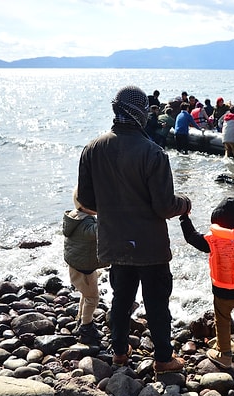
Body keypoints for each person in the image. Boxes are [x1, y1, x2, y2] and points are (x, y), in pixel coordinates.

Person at [77, 84, 191, 372]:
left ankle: (119, 351)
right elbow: (165, 207)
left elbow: (86, 201)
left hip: (115, 242)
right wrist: (185, 203)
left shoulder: (93, 148)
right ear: (141, 114)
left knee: (121, 299)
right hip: (150, 245)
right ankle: (164, 359)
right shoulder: (153, 153)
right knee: (156, 304)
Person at [179, 197, 234, 368]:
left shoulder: (213, 240)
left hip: (221, 292)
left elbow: (191, 237)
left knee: (222, 320)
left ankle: (225, 354)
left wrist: (184, 217)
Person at [63, 188, 107, 345]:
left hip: (78, 265)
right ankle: (86, 325)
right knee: (92, 297)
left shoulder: (75, 216)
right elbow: (98, 231)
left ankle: (80, 320)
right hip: (84, 269)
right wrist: (109, 216)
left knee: (85, 294)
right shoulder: (85, 223)